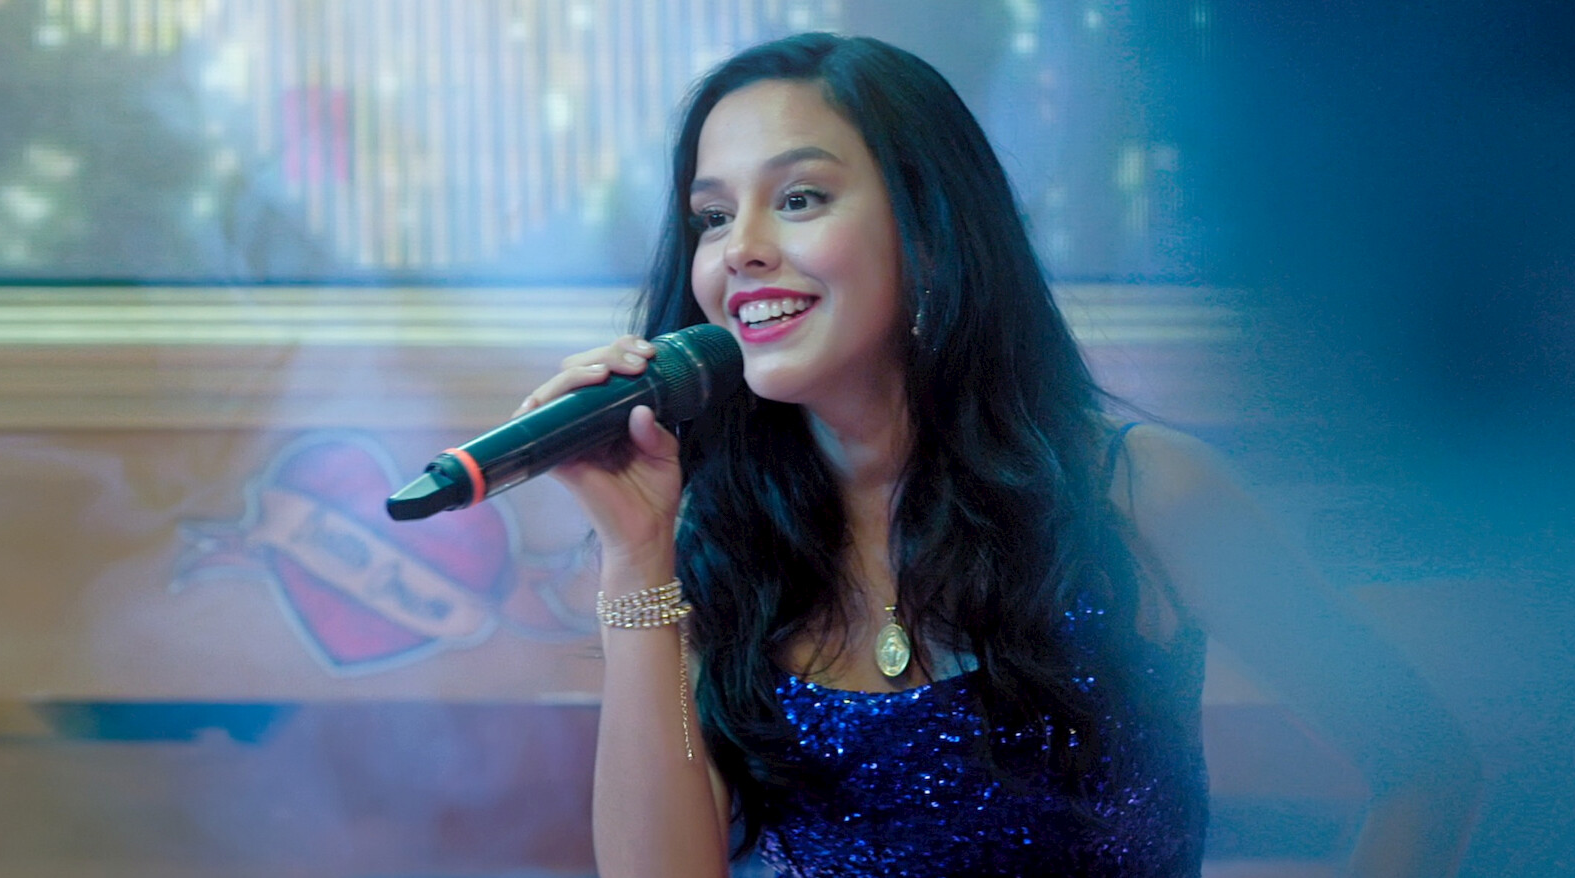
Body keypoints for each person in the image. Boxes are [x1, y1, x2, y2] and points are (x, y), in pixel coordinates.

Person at [514, 33, 1481, 877]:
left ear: (930, 233)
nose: (741, 250)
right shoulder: (717, 538)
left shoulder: (1141, 493)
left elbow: (1429, 769)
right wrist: (636, 556)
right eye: (713, 217)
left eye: (799, 197)